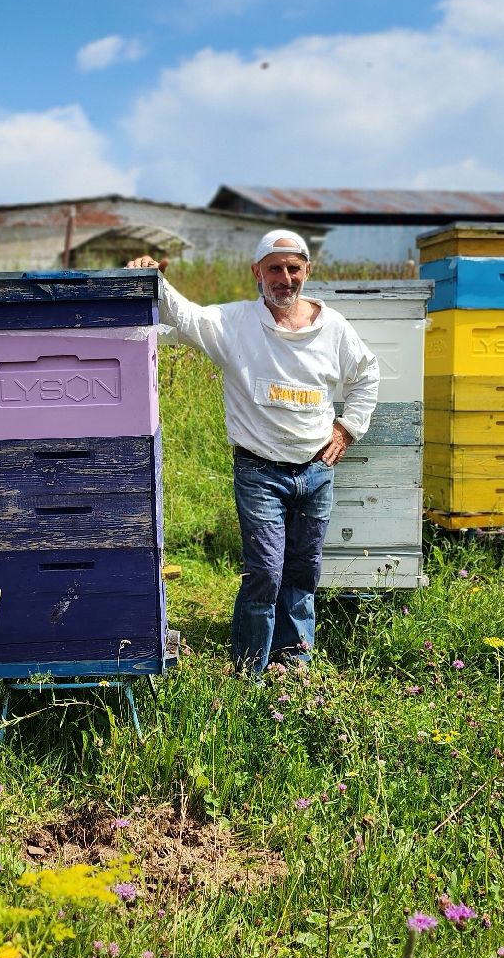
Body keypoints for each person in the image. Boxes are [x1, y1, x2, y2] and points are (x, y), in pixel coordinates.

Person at [128, 230, 380, 676]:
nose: (285, 279)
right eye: (275, 269)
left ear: (307, 271)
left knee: (303, 572)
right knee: (265, 572)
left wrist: (346, 429)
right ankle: (249, 668)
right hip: (260, 471)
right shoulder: (235, 323)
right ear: (257, 273)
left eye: (293, 269)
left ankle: (295, 662)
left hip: (315, 471)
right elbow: (184, 317)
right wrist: (154, 280)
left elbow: (366, 374)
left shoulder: (333, 327)